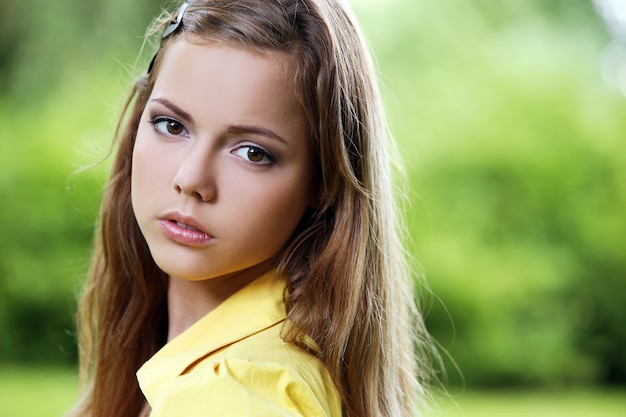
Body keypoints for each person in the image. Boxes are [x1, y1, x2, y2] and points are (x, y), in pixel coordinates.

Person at [68, 1, 434, 416]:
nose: (191, 179)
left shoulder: (232, 394)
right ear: (139, 122)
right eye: (172, 125)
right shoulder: (249, 370)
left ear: (322, 182)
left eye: (253, 153)